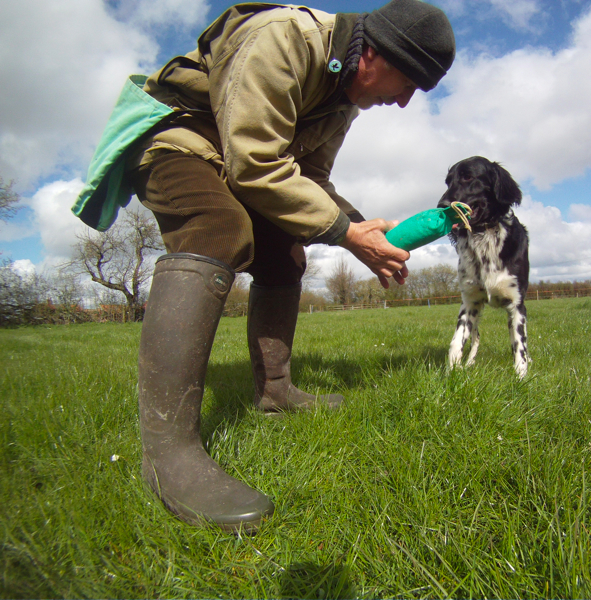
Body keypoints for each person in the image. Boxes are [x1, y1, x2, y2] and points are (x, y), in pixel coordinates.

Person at [128, 0, 456, 531]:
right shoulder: (283, 39)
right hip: (178, 139)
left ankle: (274, 390)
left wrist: (360, 235)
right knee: (218, 228)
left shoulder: (343, 99)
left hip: (237, 157)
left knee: (285, 252)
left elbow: (312, 183)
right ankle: (168, 453)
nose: (402, 102)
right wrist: (350, 234)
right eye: (408, 82)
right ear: (375, 51)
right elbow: (255, 161)